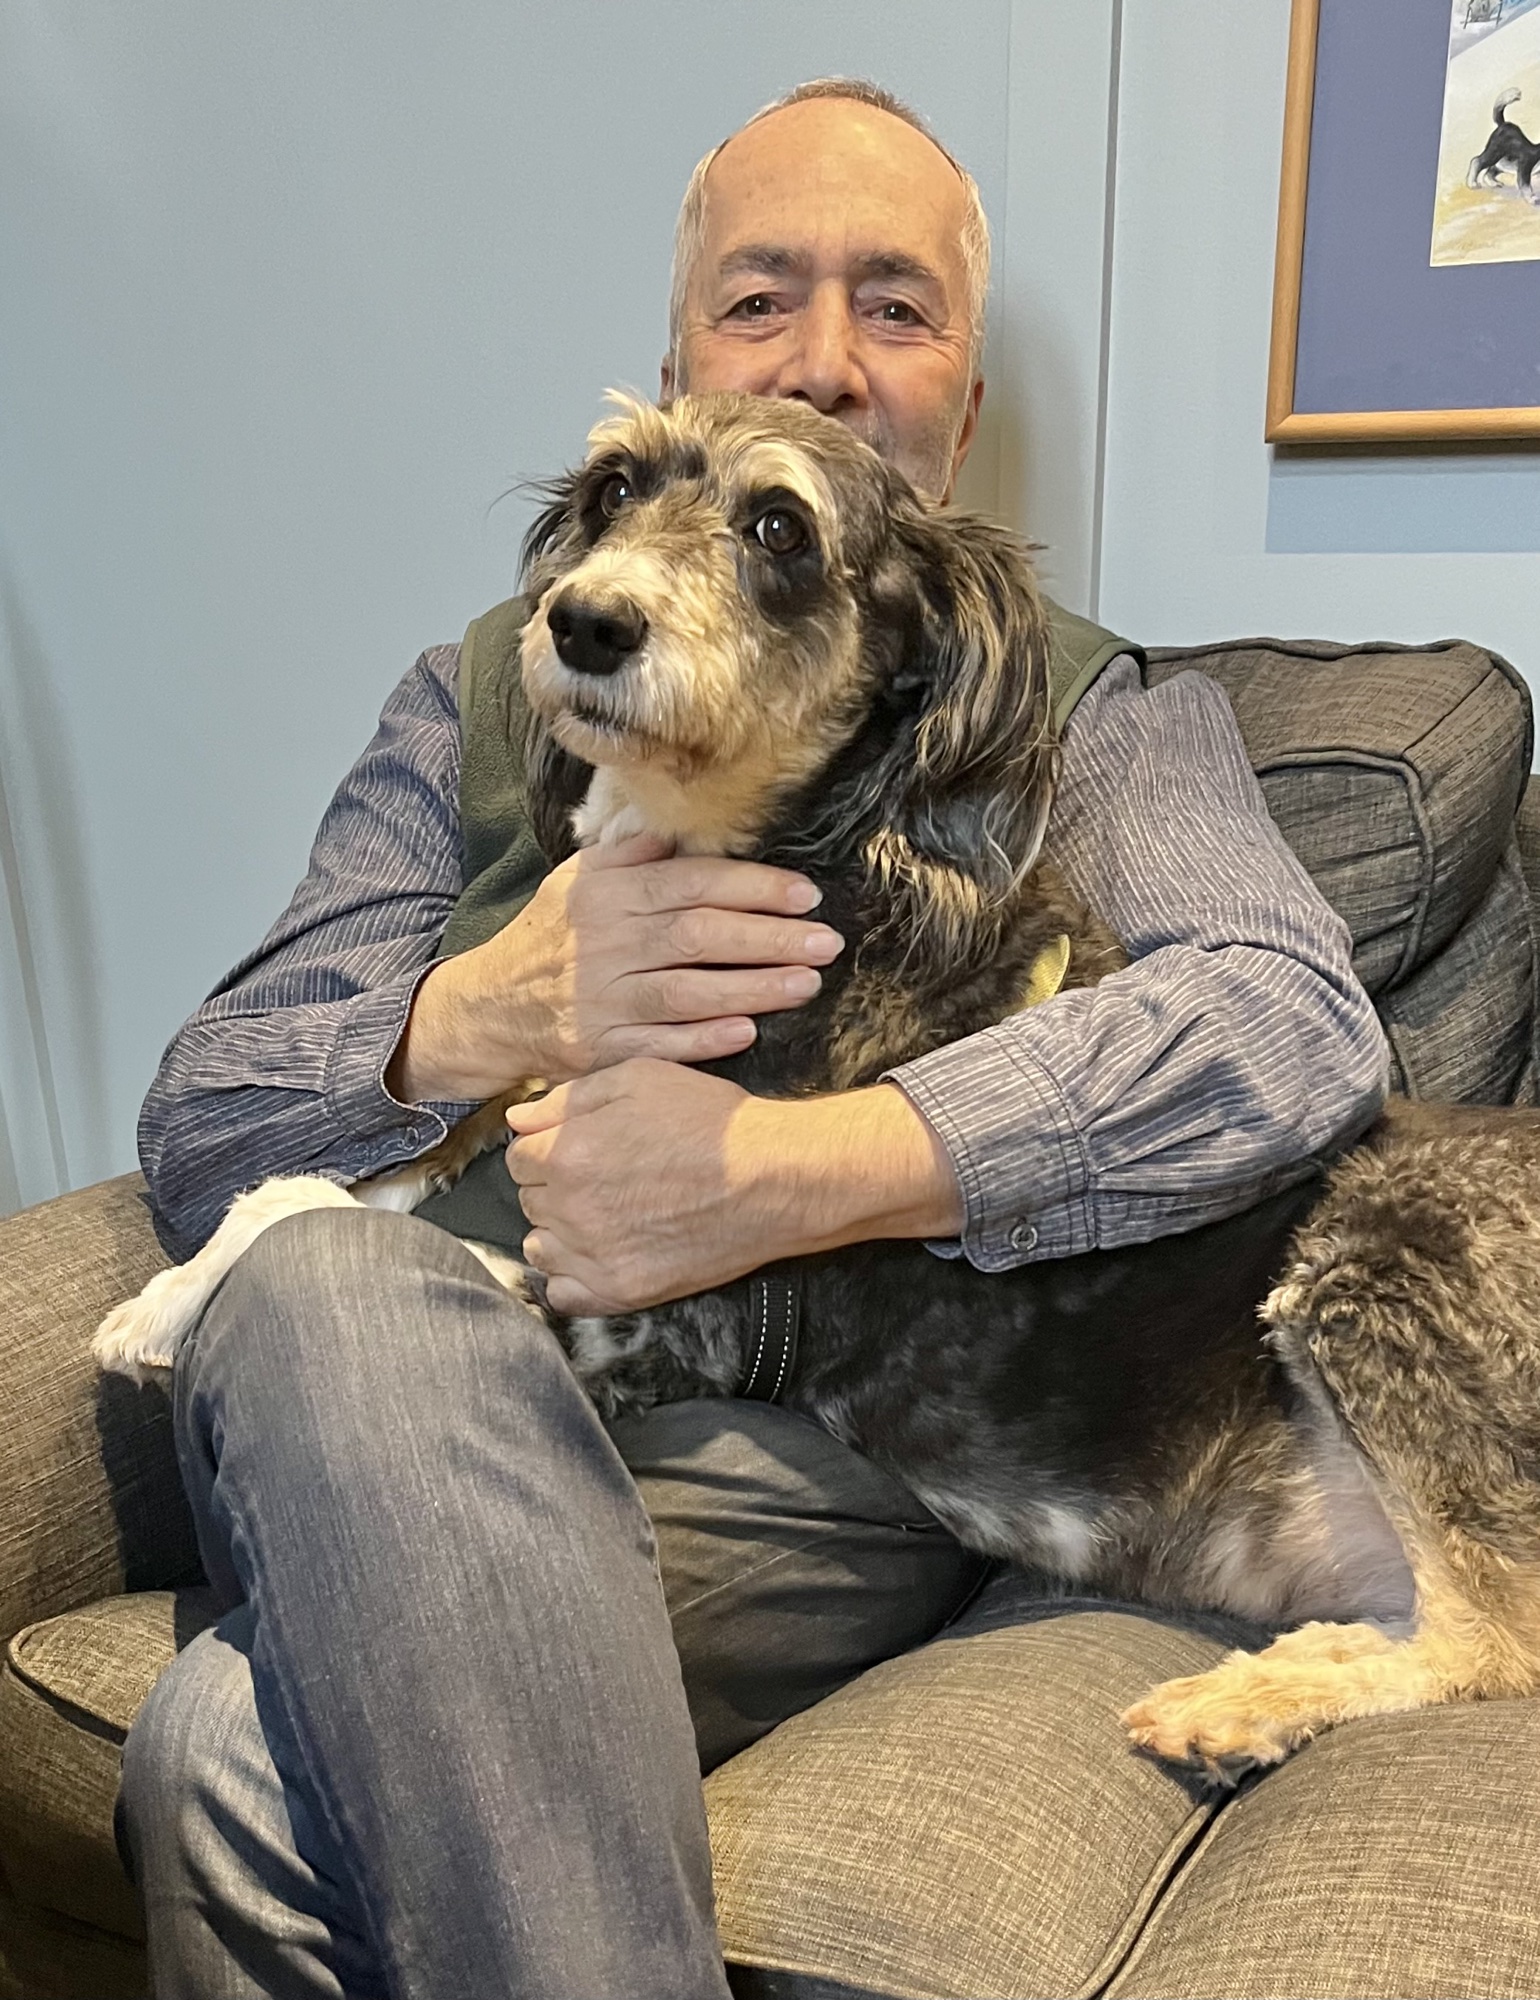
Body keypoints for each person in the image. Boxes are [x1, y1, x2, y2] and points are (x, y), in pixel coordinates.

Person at [118, 78, 1389, 2000]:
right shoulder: (475, 694)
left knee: (226, 1755)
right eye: (760, 298)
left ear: (961, 412)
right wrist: (488, 1008)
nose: (821, 359)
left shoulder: (1080, 711)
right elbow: (206, 1115)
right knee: (323, 1287)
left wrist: (782, 1175)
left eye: (897, 307)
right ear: (673, 378)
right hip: (394, 1392)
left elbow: (1288, 1027)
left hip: (776, 1432)